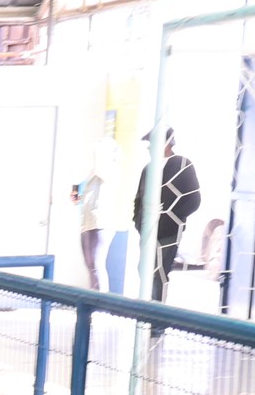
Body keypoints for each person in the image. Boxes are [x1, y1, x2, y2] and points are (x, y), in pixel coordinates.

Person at [134, 128, 201, 306]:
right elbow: (138, 200)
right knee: (144, 270)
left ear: (166, 145)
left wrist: (171, 218)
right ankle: (145, 312)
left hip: (168, 233)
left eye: (152, 144)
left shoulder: (182, 165)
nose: (149, 148)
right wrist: (138, 222)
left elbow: (193, 200)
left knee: (159, 274)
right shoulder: (148, 169)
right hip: (147, 232)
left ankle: (157, 322)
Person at [74, 137, 131, 292]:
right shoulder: (91, 173)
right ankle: (93, 300)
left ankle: (100, 304)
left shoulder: (111, 169)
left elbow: (100, 167)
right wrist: (76, 186)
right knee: (90, 264)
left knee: (96, 265)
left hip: (101, 222)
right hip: (87, 222)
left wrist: (99, 151)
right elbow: (78, 196)